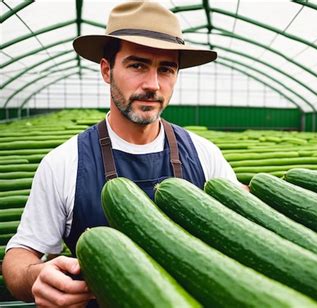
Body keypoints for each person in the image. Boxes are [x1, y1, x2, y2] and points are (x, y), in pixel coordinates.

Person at [3, 2, 240, 306]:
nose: (152, 85)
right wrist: (35, 276)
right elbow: (20, 256)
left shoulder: (205, 154)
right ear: (106, 70)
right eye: (137, 65)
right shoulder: (64, 162)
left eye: (166, 69)